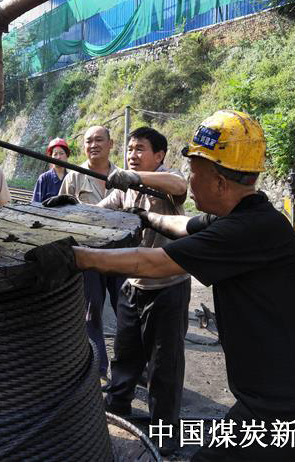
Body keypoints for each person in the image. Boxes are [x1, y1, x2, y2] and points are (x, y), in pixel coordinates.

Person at [26, 110, 295, 461]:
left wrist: (74, 257)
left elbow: (152, 262)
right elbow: (184, 225)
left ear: (219, 183)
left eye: (194, 171)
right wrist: (143, 217)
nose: (189, 180)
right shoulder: (250, 218)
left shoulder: (243, 231)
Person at [97, 127, 191, 456]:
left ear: (159, 155)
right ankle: (117, 409)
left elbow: (180, 185)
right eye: (130, 149)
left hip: (168, 287)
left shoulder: (168, 182)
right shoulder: (126, 189)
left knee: (164, 366)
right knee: (125, 355)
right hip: (134, 284)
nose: (132, 155)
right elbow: (99, 209)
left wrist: (137, 177)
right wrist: (69, 207)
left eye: (140, 149)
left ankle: (166, 433)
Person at [50, 125, 125, 386]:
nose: (93, 145)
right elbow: (61, 214)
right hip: (89, 255)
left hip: (123, 253)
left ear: (110, 144)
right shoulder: (73, 178)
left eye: (99, 140)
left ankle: (129, 367)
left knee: (126, 311)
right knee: (92, 313)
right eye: (88, 141)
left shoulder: (123, 177)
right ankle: (99, 368)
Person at [32, 138, 70, 203]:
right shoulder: (44, 178)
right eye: (55, 154)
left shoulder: (71, 178)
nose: (58, 157)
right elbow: (35, 203)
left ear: (67, 156)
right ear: (51, 157)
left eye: (61, 153)